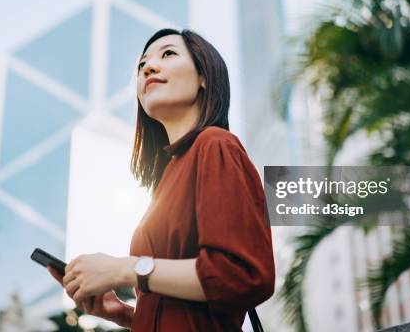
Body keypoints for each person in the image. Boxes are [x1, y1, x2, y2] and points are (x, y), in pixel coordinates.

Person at [48, 28, 275, 331]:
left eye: (168, 54)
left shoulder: (216, 145)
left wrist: (122, 269)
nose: (149, 68)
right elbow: (186, 314)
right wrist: (125, 314)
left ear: (204, 76)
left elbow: (241, 275)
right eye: (142, 65)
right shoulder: (164, 183)